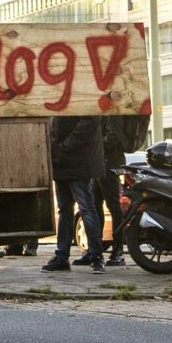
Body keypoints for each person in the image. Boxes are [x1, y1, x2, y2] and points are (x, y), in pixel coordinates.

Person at [43, 116, 105, 274]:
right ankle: (65, 256)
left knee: (84, 209)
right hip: (64, 159)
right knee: (68, 210)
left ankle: (95, 255)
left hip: (76, 159)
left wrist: (64, 145)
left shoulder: (81, 101)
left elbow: (90, 121)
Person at [91, 115, 128, 266]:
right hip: (99, 164)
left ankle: (118, 250)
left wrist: (93, 144)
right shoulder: (102, 114)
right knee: (94, 206)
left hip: (108, 165)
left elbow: (113, 137)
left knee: (113, 207)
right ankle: (96, 250)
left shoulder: (113, 115)